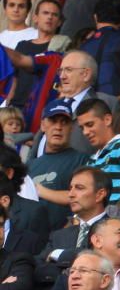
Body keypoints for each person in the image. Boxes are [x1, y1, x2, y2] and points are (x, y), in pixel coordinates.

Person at [28, 99, 89, 233]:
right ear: (43, 125)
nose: (58, 127)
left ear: (71, 127)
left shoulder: (82, 160)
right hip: (29, 239)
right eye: (53, 121)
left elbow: (84, 197)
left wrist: (40, 191)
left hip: (62, 238)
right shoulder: (29, 165)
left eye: (64, 122)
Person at [77, 98, 120, 204]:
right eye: (82, 128)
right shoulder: (90, 161)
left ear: (107, 120)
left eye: (90, 125)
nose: (85, 132)